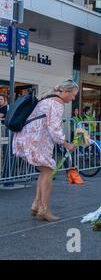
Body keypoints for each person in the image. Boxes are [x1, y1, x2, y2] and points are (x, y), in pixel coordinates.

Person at [12, 80, 79, 222]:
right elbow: (54, 128)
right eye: (73, 95)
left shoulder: (47, 99)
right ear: (65, 92)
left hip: (28, 139)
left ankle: (37, 205)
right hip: (35, 141)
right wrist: (66, 144)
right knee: (48, 172)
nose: (73, 99)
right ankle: (45, 210)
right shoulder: (57, 103)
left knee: (45, 171)